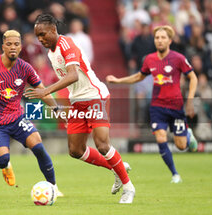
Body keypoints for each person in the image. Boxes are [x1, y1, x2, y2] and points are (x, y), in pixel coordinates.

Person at [25, 14, 135, 204]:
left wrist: (47, 91)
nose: (40, 39)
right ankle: (116, 167)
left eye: (43, 34)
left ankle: (128, 187)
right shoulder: (51, 53)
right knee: (75, 150)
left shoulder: (66, 44)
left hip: (95, 96)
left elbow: (74, 75)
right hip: (77, 102)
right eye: (37, 36)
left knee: (102, 144)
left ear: (53, 30)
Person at [0, 30, 63, 196]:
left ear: (21, 47)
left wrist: (56, 108)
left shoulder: (25, 68)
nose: (12, 47)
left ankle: (53, 187)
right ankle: (6, 166)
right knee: (1, 160)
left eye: (16, 44)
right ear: (3, 46)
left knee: (38, 146)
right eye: (9, 44)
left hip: (17, 119)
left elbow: (42, 90)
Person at [106, 25, 198, 183]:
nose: (160, 40)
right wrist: (119, 80)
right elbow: (139, 77)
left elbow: (193, 78)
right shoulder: (149, 59)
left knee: (181, 146)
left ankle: (187, 135)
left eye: (163, 38)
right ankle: (175, 174)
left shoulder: (178, 58)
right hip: (157, 107)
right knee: (161, 138)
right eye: (157, 38)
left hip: (176, 107)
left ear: (169, 41)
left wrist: (189, 100)